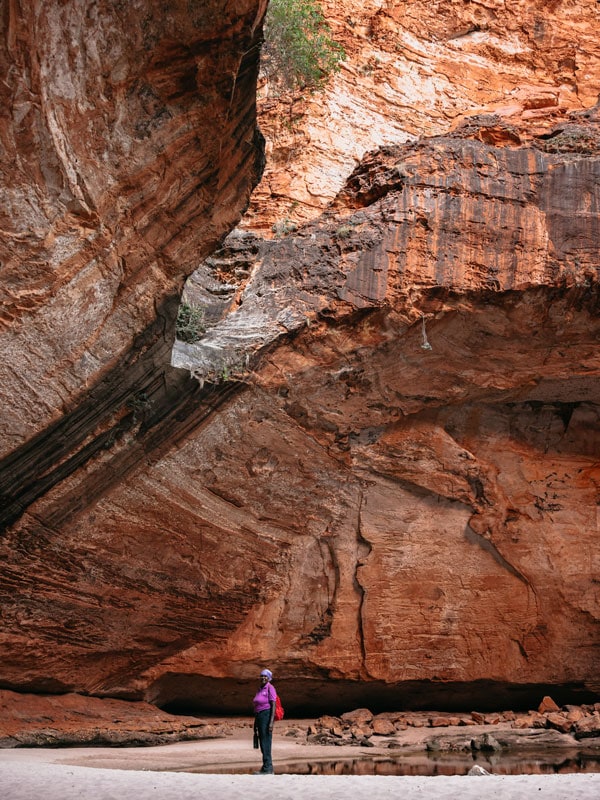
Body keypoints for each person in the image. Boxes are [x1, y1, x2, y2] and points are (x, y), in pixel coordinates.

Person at [252, 668, 276, 774]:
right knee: (262, 742)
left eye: (265, 676)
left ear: (269, 678)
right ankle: (265, 767)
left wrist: (271, 723)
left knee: (266, 742)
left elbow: (273, 705)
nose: (263, 678)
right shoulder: (260, 688)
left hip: (266, 715)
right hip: (259, 716)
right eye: (261, 676)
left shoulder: (270, 688)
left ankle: (268, 768)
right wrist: (256, 722)